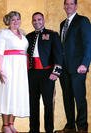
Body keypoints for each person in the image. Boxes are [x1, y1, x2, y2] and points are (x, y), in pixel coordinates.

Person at [55, 0, 91, 133]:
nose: (68, 6)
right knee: (67, 97)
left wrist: (85, 64)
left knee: (79, 97)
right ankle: (70, 126)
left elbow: (88, 43)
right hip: (64, 68)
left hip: (78, 67)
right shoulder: (62, 24)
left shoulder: (83, 21)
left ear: (76, 6)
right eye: (66, 4)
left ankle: (82, 127)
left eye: (71, 4)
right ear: (64, 6)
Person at [0, 11, 30, 133]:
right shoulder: (4, 33)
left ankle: (11, 124)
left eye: (18, 19)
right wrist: (0, 70)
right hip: (8, 67)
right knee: (7, 95)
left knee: (16, 95)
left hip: (20, 70)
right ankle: (5, 125)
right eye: (13, 20)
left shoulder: (23, 35)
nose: (16, 22)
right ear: (8, 21)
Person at [26, 12, 62, 133]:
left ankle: (49, 130)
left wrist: (56, 73)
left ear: (43, 20)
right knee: (33, 103)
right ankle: (33, 129)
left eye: (39, 19)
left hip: (47, 74)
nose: (37, 22)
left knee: (48, 104)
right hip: (32, 74)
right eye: (34, 20)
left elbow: (59, 55)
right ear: (32, 22)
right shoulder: (28, 37)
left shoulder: (52, 35)